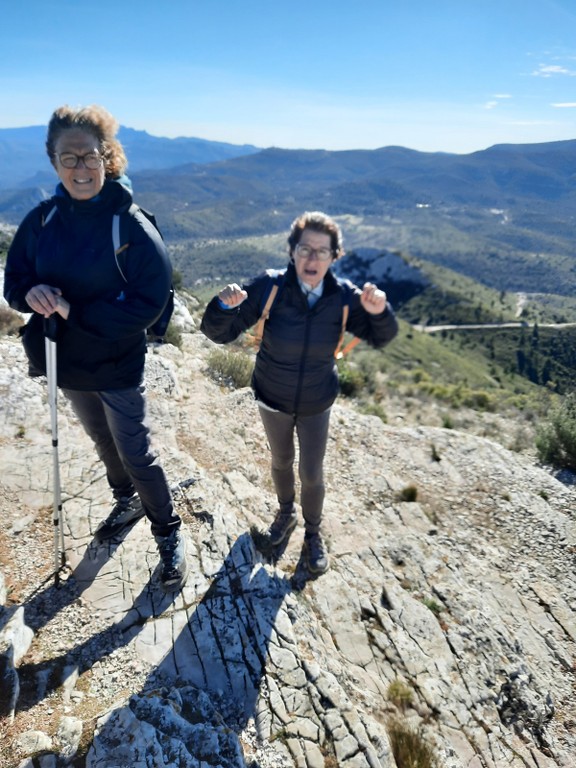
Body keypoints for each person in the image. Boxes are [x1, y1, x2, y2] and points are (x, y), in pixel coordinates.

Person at [3, 104, 188, 593]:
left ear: (107, 157)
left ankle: (167, 531)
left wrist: (75, 314)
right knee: (102, 441)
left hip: (114, 359)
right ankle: (123, 498)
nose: (80, 168)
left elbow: (150, 299)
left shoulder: (128, 223)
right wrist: (30, 295)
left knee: (136, 450)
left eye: (89, 157)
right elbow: (15, 280)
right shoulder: (41, 220)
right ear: (53, 161)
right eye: (69, 158)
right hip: (64, 358)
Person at [200, 211, 398, 574]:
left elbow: (382, 336)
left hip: (316, 401)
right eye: (305, 248)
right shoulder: (269, 287)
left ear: (335, 257)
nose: (312, 258)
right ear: (292, 251)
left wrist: (380, 312)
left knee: (312, 473)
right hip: (271, 395)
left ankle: (312, 533)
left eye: (322, 252)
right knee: (280, 461)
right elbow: (219, 333)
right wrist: (221, 307)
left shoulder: (343, 299)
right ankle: (286, 513)